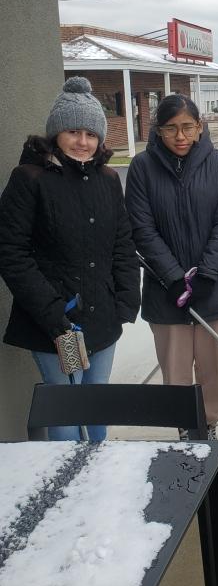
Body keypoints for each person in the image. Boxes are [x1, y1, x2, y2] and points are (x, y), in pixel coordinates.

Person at [0, 76, 140, 441]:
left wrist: (126, 301)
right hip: (57, 326)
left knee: (96, 404)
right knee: (66, 409)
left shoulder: (108, 179)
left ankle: (98, 478)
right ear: (56, 134)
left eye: (91, 134)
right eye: (73, 132)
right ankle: (66, 488)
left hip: (102, 319)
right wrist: (53, 313)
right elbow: (11, 252)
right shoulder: (29, 179)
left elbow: (123, 244)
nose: (83, 142)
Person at [125, 93, 218, 441]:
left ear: (200, 127)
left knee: (213, 369)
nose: (180, 136)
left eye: (187, 127)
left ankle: (205, 425)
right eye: (170, 129)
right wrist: (175, 279)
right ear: (157, 131)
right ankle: (183, 426)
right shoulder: (142, 168)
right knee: (175, 369)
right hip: (167, 293)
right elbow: (141, 229)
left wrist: (205, 276)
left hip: (215, 289)